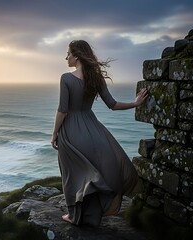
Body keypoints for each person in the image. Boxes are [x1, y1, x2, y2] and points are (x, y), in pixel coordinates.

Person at [51, 40, 148, 226]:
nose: (66, 57)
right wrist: (135, 103)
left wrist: (54, 133)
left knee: (72, 173)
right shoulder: (96, 79)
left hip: (70, 131)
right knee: (92, 174)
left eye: (68, 53)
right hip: (92, 129)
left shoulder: (66, 78)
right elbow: (113, 105)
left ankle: (73, 215)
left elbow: (63, 110)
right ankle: (91, 216)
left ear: (77, 55)